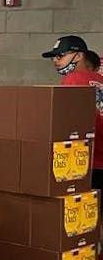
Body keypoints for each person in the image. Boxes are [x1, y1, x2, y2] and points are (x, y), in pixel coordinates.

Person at [43, 35, 103, 190]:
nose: (56, 61)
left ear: (79, 55)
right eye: (53, 58)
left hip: (87, 161)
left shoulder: (72, 80)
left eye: (60, 55)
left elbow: (64, 121)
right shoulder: (99, 79)